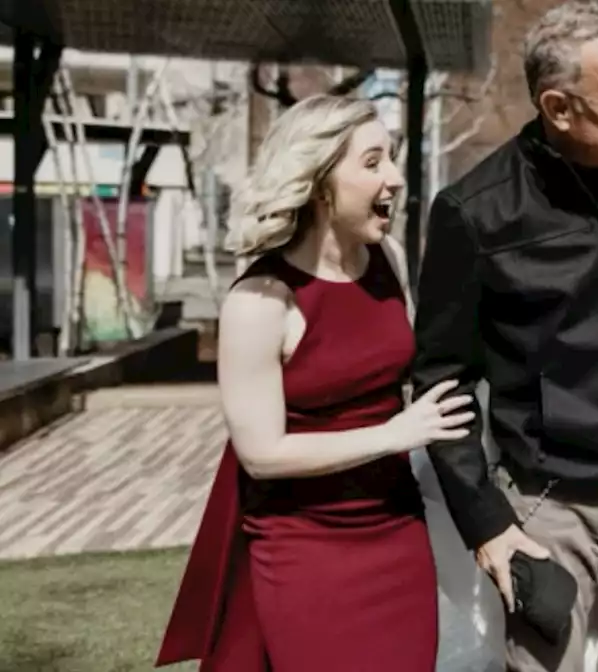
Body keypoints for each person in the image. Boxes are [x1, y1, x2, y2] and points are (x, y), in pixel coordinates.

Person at [409, 3, 598, 671]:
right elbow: (441, 381)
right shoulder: (474, 212)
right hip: (544, 503)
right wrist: (487, 525)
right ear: (559, 107)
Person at [155, 95, 473, 671]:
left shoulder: (390, 261)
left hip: (396, 533)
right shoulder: (259, 302)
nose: (395, 179)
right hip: (303, 547)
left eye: (393, 159)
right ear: (321, 181)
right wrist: (394, 434)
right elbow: (262, 455)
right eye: (373, 162)